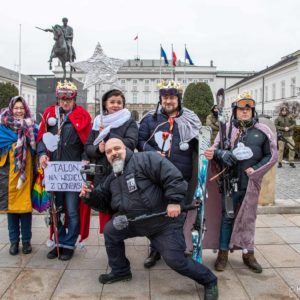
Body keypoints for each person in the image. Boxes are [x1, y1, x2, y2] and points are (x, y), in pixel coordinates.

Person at [80, 138, 218, 300]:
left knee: (175, 260)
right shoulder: (112, 177)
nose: (113, 153)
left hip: (163, 222)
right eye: (109, 152)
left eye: (117, 148)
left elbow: (173, 177)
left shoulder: (146, 159)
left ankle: (210, 280)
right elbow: (104, 203)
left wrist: (174, 201)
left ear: (126, 148)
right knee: (111, 231)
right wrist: (89, 195)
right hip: (133, 221)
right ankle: (121, 271)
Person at [204, 92, 278, 273]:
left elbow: (272, 155)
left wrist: (257, 170)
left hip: (251, 184)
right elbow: (213, 150)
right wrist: (222, 154)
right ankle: (222, 254)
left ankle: (248, 254)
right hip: (230, 182)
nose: (245, 112)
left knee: (249, 219)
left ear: (252, 111)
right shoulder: (227, 128)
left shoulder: (263, 130)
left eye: (248, 109)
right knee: (227, 217)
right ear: (235, 111)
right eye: (241, 109)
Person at [138, 79, 201, 267]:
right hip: (156, 176)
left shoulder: (191, 119)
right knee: (156, 214)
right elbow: (139, 141)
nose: (168, 101)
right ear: (160, 99)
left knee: (178, 215)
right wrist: (152, 152)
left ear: (178, 99)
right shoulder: (150, 119)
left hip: (182, 175)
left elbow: (201, 143)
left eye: (172, 97)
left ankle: (177, 249)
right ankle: (155, 250)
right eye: (165, 97)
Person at [37, 80, 92, 261]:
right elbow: (41, 140)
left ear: (74, 99)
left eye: (69, 99)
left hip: (73, 173)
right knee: (56, 210)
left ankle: (69, 244)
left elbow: (88, 142)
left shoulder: (82, 115)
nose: (65, 103)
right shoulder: (49, 115)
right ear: (58, 99)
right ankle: (59, 241)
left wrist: (85, 158)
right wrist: (43, 154)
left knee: (72, 210)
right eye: (62, 99)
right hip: (54, 173)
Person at [84, 89, 138, 231]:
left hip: (121, 172)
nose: (116, 105)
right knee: (105, 211)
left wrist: (108, 134)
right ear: (105, 104)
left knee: (121, 211)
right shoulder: (97, 122)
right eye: (112, 102)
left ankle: (118, 241)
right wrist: (98, 150)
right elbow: (88, 147)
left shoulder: (129, 121)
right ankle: (110, 243)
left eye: (119, 102)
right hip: (102, 174)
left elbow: (131, 143)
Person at [0, 96, 36, 255]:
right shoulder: (2, 128)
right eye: (16, 108)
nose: (19, 111)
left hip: (27, 174)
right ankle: (14, 242)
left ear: (25, 109)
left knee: (25, 209)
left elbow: (39, 146)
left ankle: (27, 241)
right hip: (7, 176)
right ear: (11, 109)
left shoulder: (32, 127)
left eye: (22, 108)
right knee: (12, 210)